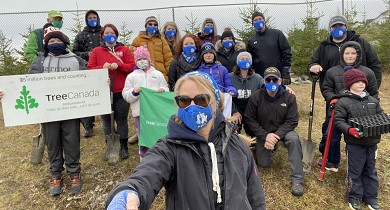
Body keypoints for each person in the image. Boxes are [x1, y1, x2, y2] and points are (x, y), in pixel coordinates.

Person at [105, 71, 266, 210]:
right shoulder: (168, 148)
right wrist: (128, 192)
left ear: (215, 103)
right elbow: (146, 175)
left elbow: (255, 196)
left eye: (201, 99)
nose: (192, 106)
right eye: (184, 100)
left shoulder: (237, 144)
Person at [308, 15, 382, 172]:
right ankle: (331, 159)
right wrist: (314, 66)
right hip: (336, 98)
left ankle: (360, 158)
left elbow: (375, 64)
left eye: (340, 26)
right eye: (334, 27)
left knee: (361, 128)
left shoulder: (360, 42)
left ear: (346, 26)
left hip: (361, 98)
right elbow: (314, 64)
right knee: (331, 128)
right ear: (330, 29)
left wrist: (370, 93)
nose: (337, 29)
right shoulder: (324, 46)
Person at [28, 27, 87, 196]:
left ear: (65, 43)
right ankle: (55, 174)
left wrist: (101, 82)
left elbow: (89, 80)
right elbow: (27, 84)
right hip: (49, 112)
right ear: (46, 45)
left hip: (71, 111)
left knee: (72, 141)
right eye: (51, 41)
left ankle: (74, 172)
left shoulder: (76, 60)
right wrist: (8, 93)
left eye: (58, 41)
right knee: (52, 143)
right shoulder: (40, 62)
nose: (55, 43)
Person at [245, 67, 304, 196]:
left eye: (275, 79)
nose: (272, 82)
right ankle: (262, 148)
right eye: (268, 79)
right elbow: (249, 119)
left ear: (280, 81)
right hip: (264, 132)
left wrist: (275, 136)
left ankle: (297, 179)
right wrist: (265, 135)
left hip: (283, 132)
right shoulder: (256, 97)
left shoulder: (289, 97)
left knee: (294, 139)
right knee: (264, 164)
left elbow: (292, 121)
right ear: (264, 82)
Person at [320, 41, 379, 170]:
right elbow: (327, 89)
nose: (350, 56)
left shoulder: (367, 72)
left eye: (353, 53)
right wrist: (333, 99)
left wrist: (372, 108)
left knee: (358, 138)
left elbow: (373, 93)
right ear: (342, 54)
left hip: (360, 112)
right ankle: (332, 161)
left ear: (359, 55)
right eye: (347, 53)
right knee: (332, 136)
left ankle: (356, 160)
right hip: (339, 110)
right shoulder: (332, 72)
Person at [334, 69, 383, 210]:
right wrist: (349, 130)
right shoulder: (343, 102)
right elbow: (339, 121)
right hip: (354, 143)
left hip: (372, 143)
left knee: (370, 170)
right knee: (355, 171)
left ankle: (371, 197)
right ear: (349, 84)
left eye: (363, 81)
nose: (361, 84)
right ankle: (354, 196)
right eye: (357, 81)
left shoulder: (373, 101)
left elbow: (380, 116)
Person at [88, 24, 135, 160]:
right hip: (103, 92)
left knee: (121, 120)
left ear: (116, 35)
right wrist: (101, 68)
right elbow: (90, 68)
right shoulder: (97, 51)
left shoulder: (124, 50)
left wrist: (119, 65)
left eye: (112, 33)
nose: (110, 35)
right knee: (107, 121)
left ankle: (123, 146)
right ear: (102, 36)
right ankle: (110, 146)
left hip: (121, 91)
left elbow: (131, 66)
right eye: (107, 33)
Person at [122, 46, 169, 158]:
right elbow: (126, 94)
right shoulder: (131, 77)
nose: (142, 61)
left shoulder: (157, 74)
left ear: (149, 59)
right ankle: (144, 158)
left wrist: (163, 91)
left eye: (144, 58)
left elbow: (165, 88)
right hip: (140, 113)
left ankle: (160, 155)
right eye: (139, 59)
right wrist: (134, 92)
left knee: (157, 134)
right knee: (143, 137)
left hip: (156, 112)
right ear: (135, 61)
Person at [73, 10, 102, 138]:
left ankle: (110, 124)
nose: (92, 19)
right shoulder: (81, 35)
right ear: (86, 20)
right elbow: (74, 52)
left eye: (94, 17)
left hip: (103, 69)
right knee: (88, 97)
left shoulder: (104, 32)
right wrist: (87, 54)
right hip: (87, 69)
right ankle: (88, 126)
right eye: (90, 18)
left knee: (105, 96)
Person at [247, 11, 292, 85]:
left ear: (264, 20)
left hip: (278, 74)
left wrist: (286, 70)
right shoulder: (251, 40)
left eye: (260, 18)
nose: (258, 21)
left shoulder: (277, 34)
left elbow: (286, 51)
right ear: (253, 23)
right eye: (255, 20)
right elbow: (250, 59)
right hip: (261, 76)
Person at [229, 52, 263, 133]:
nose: (244, 61)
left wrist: (283, 87)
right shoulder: (230, 77)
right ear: (237, 62)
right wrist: (234, 112)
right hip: (236, 108)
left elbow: (266, 88)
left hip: (251, 110)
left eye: (247, 59)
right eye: (242, 59)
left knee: (253, 133)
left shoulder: (257, 78)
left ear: (250, 62)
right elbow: (226, 96)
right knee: (233, 131)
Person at [130, 16, 173, 81]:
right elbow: (131, 57)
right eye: (150, 24)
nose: (153, 26)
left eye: (155, 25)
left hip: (160, 75)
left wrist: (169, 75)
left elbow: (168, 59)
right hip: (143, 76)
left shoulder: (162, 41)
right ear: (146, 26)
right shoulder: (137, 40)